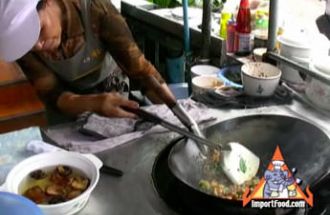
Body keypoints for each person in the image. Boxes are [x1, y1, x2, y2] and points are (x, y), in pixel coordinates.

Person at [0, 0, 189, 125]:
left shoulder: (96, 9)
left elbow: (141, 72)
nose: (39, 46)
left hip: (112, 92)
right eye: (29, 44)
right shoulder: (23, 46)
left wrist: (178, 113)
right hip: (68, 107)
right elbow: (52, 94)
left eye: (40, 30)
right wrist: (92, 103)